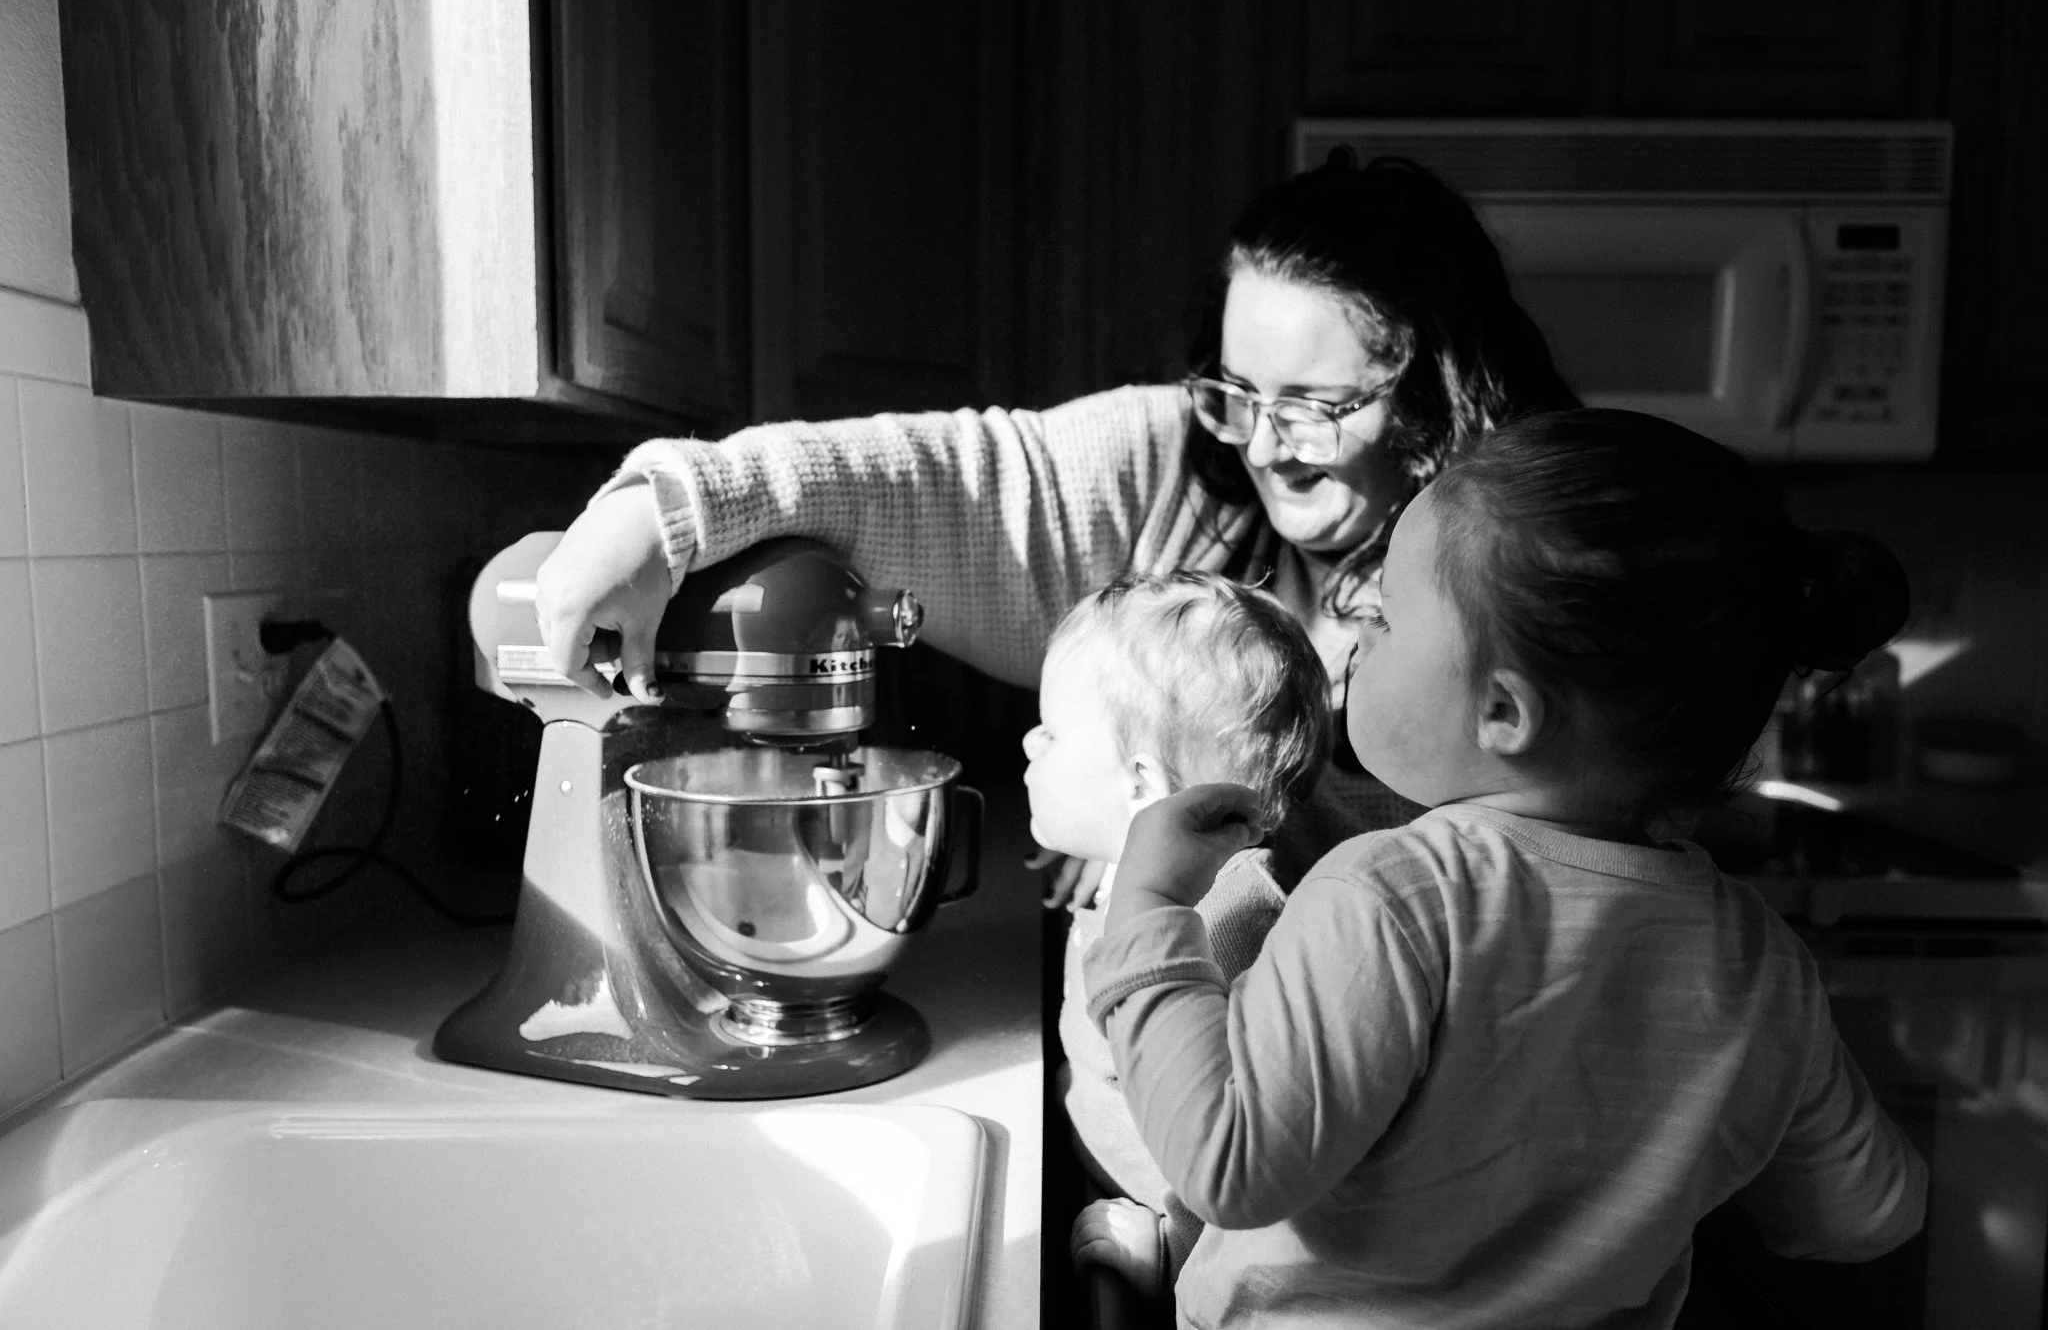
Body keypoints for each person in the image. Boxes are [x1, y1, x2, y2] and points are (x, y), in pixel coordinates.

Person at [531, 152, 1579, 891]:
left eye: (1311, 408)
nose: (1260, 446)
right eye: (1237, 390)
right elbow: (937, 476)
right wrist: (663, 512)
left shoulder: (1521, 563)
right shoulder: (1175, 460)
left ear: (1439, 394)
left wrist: (1152, 835)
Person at [1085, 410, 1928, 1327]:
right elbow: (1869, 1212)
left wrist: (1147, 907)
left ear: (1502, 710)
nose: (1357, 634)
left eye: (1388, 615)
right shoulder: (1764, 966)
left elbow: (1228, 1163)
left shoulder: (1390, 899)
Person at [1022, 571, 1329, 1298]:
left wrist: (1176, 1248)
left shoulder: (1231, 914)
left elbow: (1256, 1146)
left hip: (1179, 1255)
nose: (1030, 739)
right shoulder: (1119, 870)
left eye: (1054, 730)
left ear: (1141, 783)